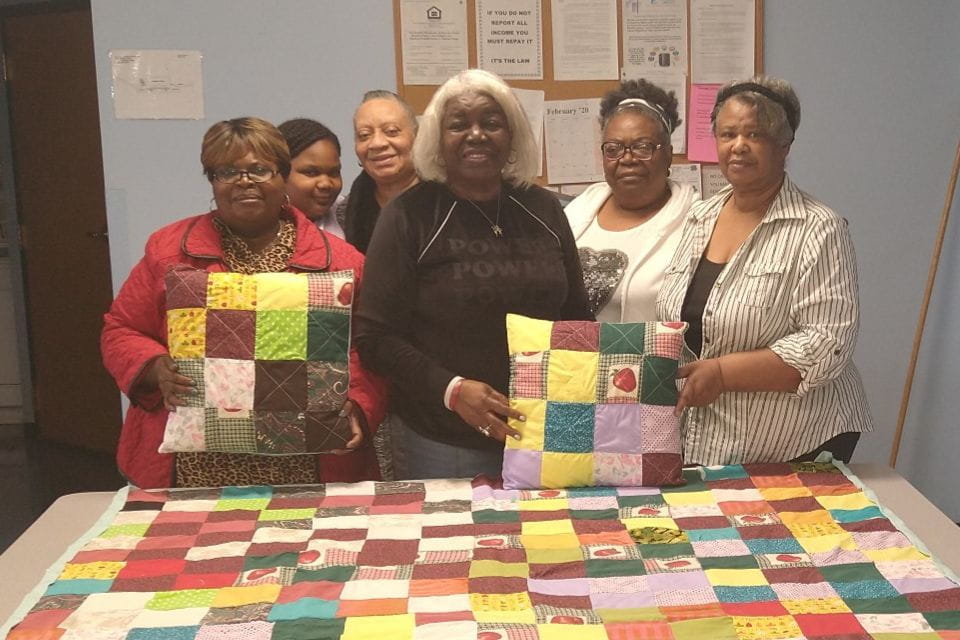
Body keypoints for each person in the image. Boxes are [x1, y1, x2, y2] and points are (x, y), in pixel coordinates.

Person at [101, 117, 386, 488]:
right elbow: (121, 328)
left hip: (307, 463)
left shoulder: (342, 263)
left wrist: (356, 404)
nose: (245, 182)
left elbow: (372, 348)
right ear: (212, 180)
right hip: (194, 467)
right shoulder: (169, 251)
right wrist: (153, 366)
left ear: (283, 176)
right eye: (227, 171)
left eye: (260, 170)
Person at [354, 69, 592, 480]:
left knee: (550, 541)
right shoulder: (409, 215)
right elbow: (374, 337)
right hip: (444, 439)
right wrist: (452, 390)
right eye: (459, 124)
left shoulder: (545, 209)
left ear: (512, 134)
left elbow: (577, 320)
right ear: (437, 139)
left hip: (546, 431)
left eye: (492, 123)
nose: (476, 134)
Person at [656, 75, 872, 465]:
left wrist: (722, 374)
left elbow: (826, 345)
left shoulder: (819, 227)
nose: (738, 146)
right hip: (710, 436)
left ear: (784, 145)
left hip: (797, 437)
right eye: (728, 134)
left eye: (754, 134)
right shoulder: (700, 216)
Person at [566, 79, 698, 322]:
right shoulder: (576, 212)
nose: (627, 159)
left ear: (668, 155)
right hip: (571, 358)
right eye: (614, 149)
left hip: (654, 357)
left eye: (642, 147)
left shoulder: (697, 220)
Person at [343, 90, 419, 253]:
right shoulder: (344, 213)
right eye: (364, 135)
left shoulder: (448, 201)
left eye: (391, 131)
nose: (377, 143)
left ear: (417, 136)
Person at [278, 118, 345, 237]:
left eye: (334, 173)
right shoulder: (258, 228)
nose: (325, 184)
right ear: (280, 173)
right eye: (311, 173)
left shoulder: (349, 218)